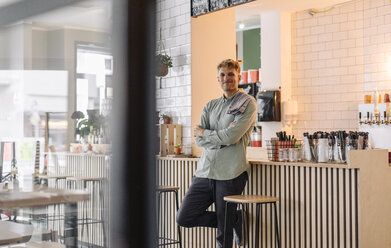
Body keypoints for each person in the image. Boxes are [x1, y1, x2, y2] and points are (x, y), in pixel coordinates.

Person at [176, 59, 257, 247]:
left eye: (231, 74)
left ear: (239, 77)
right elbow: (199, 139)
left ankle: (230, 221)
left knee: (223, 233)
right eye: (222, 75)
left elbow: (232, 137)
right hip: (204, 172)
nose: (226, 78)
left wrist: (208, 134)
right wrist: (218, 136)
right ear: (218, 79)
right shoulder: (210, 106)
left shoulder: (248, 103)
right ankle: (236, 219)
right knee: (184, 217)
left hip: (231, 173)